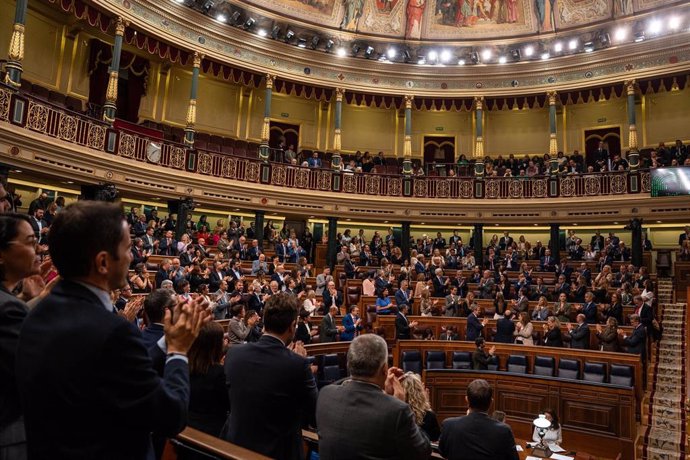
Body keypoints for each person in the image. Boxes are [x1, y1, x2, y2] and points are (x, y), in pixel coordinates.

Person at [15, 201, 209, 460]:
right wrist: (178, 351)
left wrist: (164, 343)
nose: (132, 257)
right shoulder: (112, 332)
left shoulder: (35, 314)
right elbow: (171, 416)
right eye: (128, 248)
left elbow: (110, 370)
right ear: (103, 262)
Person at [222, 292, 318, 459]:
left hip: (236, 449)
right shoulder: (298, 364)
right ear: (292, 326)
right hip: (279, 452)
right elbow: (314, 414)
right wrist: (300, 364)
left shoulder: (234, 354)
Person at [315, 334, 431, 460]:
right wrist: (397, 402)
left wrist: (386, 396)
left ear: (349, 365)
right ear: (385, 369)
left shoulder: (325, 395)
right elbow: (423, 452)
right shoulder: (397, 410)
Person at [0, 214, 42, 460]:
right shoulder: (8, 308)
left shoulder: (11, 303)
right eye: (28, 242)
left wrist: (30, 300)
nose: (36, 249)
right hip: (9, 434)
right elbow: (35, 371)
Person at [439, 379, 519, 460]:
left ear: (466, 400)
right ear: (491, 402)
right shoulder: (504, 431)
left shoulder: (449, 425)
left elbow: (443, 453)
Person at [187, 321, 230, 437]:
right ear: (214, 344)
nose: (224, 342)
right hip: (210, 434)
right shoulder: (219, 373)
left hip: (185, 426)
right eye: (222, 339)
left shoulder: (185, 365)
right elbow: (228, 404)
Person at [400, 372, 441, 442]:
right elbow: (435, 441)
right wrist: (427, 405)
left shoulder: (397, 413)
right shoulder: (429, 416)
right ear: (420, 392)